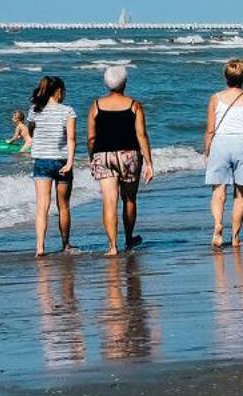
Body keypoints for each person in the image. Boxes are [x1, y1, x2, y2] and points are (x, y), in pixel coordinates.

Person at [87, 64, 154, 256]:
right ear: (124, 82)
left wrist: (92, 157)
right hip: (129, 155)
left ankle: (112, 246)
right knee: (129, 198)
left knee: (109, 201)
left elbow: (91, 138)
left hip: (103, 155)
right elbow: (141, 134)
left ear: (106, 83)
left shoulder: (96, 105)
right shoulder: (134, 105)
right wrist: (149, 162)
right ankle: (128, 239)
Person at [203, 57, 243, 249]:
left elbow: (210, 130)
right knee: (240, 194)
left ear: (225, 77)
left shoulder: (216, 98)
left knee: (218, 192)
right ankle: (236, 237)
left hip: (220, 144)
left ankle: (217, 226)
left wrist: (207, 152)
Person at [27, 75, 77, 256]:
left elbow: (31, 130)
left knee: (42, 205)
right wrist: (70, 162)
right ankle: (66, 244)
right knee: (63, 205)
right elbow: (71, 139)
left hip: (41, 161)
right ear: (58, 91)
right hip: (62, 161)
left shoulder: (35, 110)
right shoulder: (67, 111)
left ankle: (40, 247)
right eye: (63, 92)